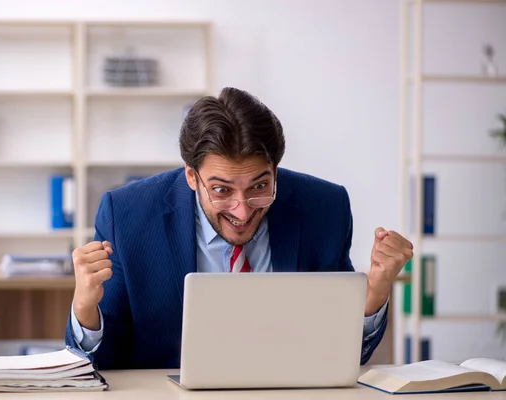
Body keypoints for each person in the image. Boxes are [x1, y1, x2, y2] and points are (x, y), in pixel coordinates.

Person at [65, 87, 414, 370]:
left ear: (275, 171)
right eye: (221, 190)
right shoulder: (128, 214)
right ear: (191, 176)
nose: (242, 210)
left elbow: (347, 355)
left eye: (259, 187)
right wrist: (84, 307)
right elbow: (101, 362)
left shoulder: (324, 208)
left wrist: (375, 292)